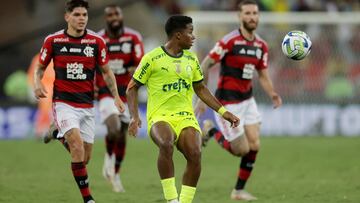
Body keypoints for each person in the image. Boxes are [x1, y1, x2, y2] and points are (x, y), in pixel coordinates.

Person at [126, 15, 240, 203]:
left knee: (195, 154)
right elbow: (132, 87)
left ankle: (185, 201)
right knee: (166, 143)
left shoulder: (191, 59)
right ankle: (172, 199)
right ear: (178, 35)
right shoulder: (152, 58)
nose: (193, 37)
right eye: (190, 32)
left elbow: (201, 88)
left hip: (186, 117)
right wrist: (134, 116)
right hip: (160, 116)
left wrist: (224, 112)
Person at [34, 1, 125, 202]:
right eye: (77, 14)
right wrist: (37, 83)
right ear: (67, 17)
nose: (82, 18)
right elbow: (39, 67)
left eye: (84, 14)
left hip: (86, 105)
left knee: (84, 159)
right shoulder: (53, 40)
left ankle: (58, 133)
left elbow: (107, 72)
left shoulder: (96, 41)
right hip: (63, 103)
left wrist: (117, 96)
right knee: (76, 148)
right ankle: (88, 199)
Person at [195, 0, 282, 201]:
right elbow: (206, 63)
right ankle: (210, 129)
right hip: (228, 103)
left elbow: (262, 74)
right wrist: (202, 95)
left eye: (255, 13)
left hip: (248, 101)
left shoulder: (261, 45)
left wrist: (272, 93)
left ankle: (238, 191)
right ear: (239, 17)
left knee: (255, 145)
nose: (252, 17)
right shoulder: (229, 41)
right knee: (240, 150)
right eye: (248, 13)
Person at [95, 4, 144, 192]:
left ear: (122, 16)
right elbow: (93, 64)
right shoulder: (99, 39)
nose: (114, 17)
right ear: (105, 18)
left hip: (127, 93)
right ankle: (108, 157)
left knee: (122, 134)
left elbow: (140, 64)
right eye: (110, 15)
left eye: (117, 13)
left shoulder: (133, 37)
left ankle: (115, 175)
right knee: (114, 128)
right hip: (107, 92)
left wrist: (134, 69)